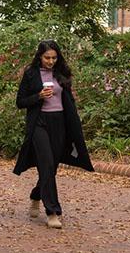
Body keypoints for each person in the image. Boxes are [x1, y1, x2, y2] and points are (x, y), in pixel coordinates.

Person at [13, 40, 94, 229]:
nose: (50, 61)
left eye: (54, 58)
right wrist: (38, 96)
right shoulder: (31, 74)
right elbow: (20, 102)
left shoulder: (62, 74)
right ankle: (52, 212)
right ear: (39, 57)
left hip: (60, 124)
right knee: (47, 162)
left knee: (51, 168)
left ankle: (35, 195)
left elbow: (68, 101)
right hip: (39, 123)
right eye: (47, 58)